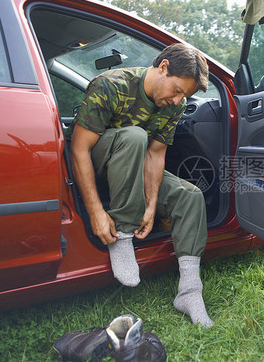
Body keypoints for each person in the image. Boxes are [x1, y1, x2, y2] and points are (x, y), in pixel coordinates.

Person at [68, 43, 213, 327]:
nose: (177, 100)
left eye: (184, 95)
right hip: (99, 163)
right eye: (177, 90)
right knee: (135, 136)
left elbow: (156, 153)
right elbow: (79, 150)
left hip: (135, 165)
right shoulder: (110, 85)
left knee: (190, 196)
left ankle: (190, 291)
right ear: (163, 67)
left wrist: (150, 205)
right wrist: (97, 211)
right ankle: (123, 236)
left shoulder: (175, 105)